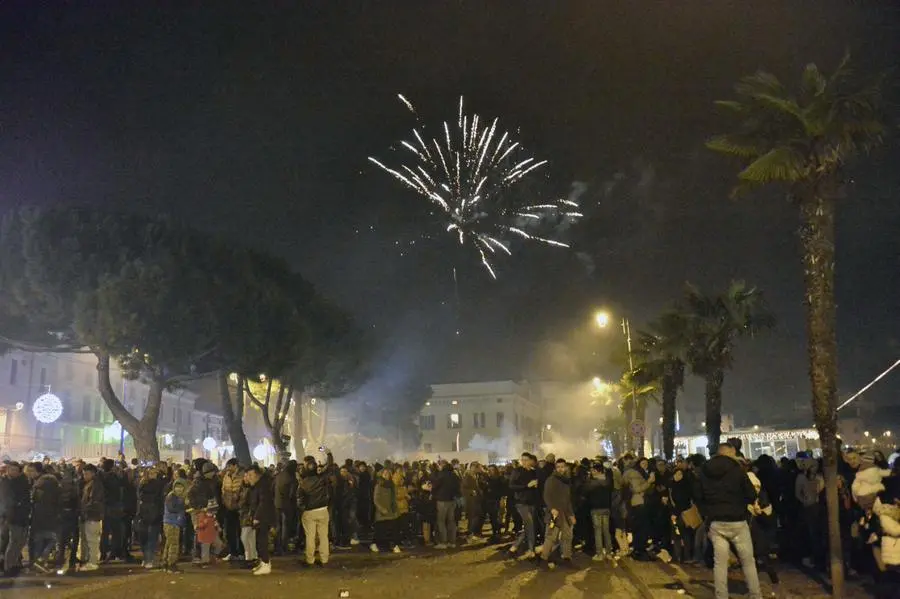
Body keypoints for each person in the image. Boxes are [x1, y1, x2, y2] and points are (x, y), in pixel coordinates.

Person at [694, 443, 762, 599]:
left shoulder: (704, 471)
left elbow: (697, 494)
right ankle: (755, 594)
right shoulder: (737, 469)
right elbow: (751, 494)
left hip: (716, 522)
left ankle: (721, 595)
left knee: (720, 563)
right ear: (730, 453)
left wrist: (707, 512)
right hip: (737, 520)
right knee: (748, 561)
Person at [541, 459, 576, 568]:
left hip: (565, 514)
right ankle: (543, 559)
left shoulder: (566, 481)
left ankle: (566, 558)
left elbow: (568, 500)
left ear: (565, 467)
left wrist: (571, 514)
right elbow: (546, 495)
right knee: (551, 537)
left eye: (562, 466)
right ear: (555, 468)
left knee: (567, 536)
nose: (561, 469)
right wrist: (552, 509)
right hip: (554, 515)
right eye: (558, 467)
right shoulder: (551, 480)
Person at [26, 462, 61, 572]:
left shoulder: (41, 484)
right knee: (47, 539)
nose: (28, 473)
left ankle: (39, 561)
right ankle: (40, 562)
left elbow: (40, 502)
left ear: (38, 471)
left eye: (31, 471)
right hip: (49, 516)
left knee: (43, 540)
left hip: (42, 516)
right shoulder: (47, 482)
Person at [297, 455, 331, 566]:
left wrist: (303, 509)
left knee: (310, 537)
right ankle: (324, 558)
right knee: (323, 536)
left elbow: (299, 499)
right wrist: (328, 454)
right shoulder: (321, 479)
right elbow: (329, 468)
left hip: (309, 512)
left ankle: (310, 559)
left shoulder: (302, 483)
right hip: (322, 510)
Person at [0, 462, 31, 576]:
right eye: (11, 469)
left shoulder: (22, 481)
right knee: (13, 542)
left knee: (20, 542)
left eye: (15, 470)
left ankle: (14, 564)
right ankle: (8, 566)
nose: (13, 472)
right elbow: (6, 500)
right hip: (10, 517)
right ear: (7, 470)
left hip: (22, 516)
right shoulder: (5, 482)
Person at [508, 452, 540, 560]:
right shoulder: (517, 471)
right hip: (521, 503)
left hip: (532, 503)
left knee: (529, 527)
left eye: (526, 460)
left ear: (531, 461)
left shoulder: (533, 472)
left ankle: (514, 547)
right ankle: (531, 550)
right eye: (522, 460)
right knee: (530, 525)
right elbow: (512, 486)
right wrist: (526, 486)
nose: (524, 462)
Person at [247, 465, 275, 575]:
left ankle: (266, 563)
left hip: (264, 518)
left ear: (257, 475)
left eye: (251, 475)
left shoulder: (263, 486)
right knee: (259, 541)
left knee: (262, 541)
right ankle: (263, 563)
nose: (248, 477)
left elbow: (263, 502)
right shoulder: (257, 485)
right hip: (260, 516)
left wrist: (257, 517)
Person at [585, 460, 615, 562]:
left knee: (598, 531)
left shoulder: (592, 482)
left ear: (596, 470)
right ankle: (609, 553)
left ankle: (599, 554)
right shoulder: (608, 479)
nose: (592, 471)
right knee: (606, 531)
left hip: (596, 508)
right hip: (606, 507)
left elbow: (586, 491)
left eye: (593, 470)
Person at [79, 464, 105, 572]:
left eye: (86, 474)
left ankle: (93, 562)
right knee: (90, 540)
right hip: (91, 515)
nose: (84, 476)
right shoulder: (91, 484)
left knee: (92, 540)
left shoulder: (95, 485)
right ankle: (91, 561)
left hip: (92, 515)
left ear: (93, 473)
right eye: (84, 474)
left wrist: (84, 510)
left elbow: (94, 501)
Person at [430, 460, 461, 549]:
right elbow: (458, 487)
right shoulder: (454, 475)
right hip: (452, 501)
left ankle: (443, 542)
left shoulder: (442, 475)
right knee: (451, 521)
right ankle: (452, 542)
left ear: (443, 465)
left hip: (442, 500)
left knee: (441, 521)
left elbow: (435, 486)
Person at [372, 467, 401, 553]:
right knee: (380, 530)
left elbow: (393, 498)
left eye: (388, 474)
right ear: (381, 475)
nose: (386, 475)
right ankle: (374, 544)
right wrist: (381, 509)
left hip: (391, 510)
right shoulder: (378, 485)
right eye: (385, 474)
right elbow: (376, 499)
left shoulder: (391, 485)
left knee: (393, 529)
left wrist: (395, 508)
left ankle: (394, 545)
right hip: (382, 512)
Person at [162, 479, 188, 573]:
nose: (179, 489)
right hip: (171, 523)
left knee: (169, 543)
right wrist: (184, 506)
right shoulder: (171, 496)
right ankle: (171, 565)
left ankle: (165, 563)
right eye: (177, 486)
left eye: (181, 487)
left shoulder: (178, 497)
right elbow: (172, 508)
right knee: (174, 544)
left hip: (174, 522)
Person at [274, 459, 298, 556]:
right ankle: (284, 547)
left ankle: (277, 547)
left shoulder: (279, 476)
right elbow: (292, 494)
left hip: (277, 503)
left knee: (278, 527)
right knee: (285, 526)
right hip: (287, 505)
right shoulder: (292, 478)